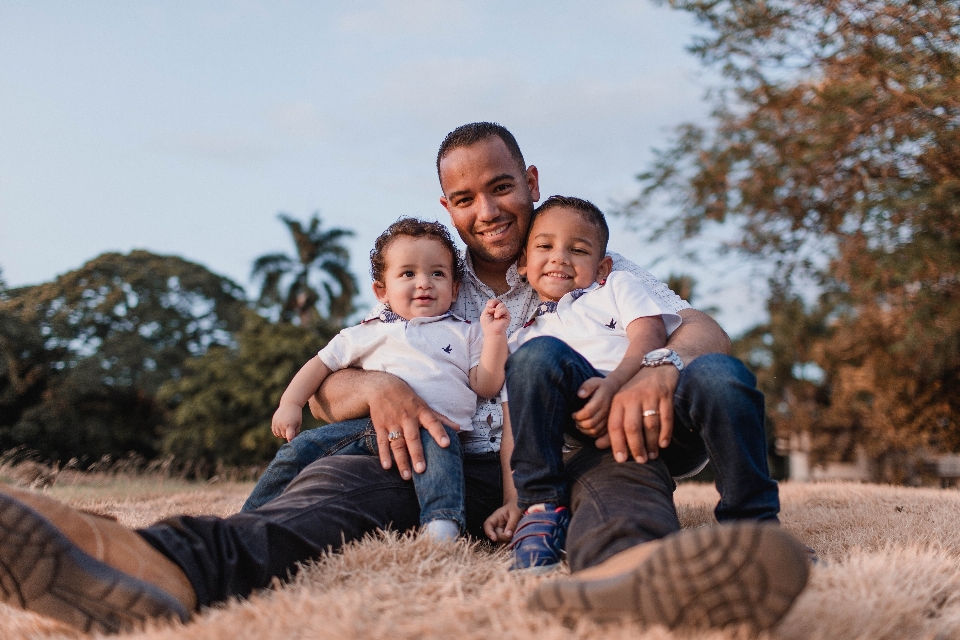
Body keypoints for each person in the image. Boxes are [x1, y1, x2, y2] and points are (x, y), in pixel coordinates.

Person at [0, 122, 807, 635]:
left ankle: (631, 577)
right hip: (438, 452)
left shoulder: (578, 257)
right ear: (447, 206)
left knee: (623, 481)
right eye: (465, 197)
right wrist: (380, 391)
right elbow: (331, 383)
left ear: (530, 181)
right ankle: (160, 566)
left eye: (500, 187)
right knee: (331, 497)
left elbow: (700, 328)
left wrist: (660, 368)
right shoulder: (424, 275)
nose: (486, 209)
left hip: (562, 452)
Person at [240, 218, 510, 543]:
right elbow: (320, 365)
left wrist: (495, 336)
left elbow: (486, 384)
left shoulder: (466, 331)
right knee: (296, 451)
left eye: (437, 273)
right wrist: (291, 403)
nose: (424, 283)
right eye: (408, 274)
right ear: (382, 290)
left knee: (441, 451)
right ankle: (246, 521)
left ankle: (442, 527)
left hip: (439, 429)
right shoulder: (369, 330)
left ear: (454, 288)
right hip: (370, 428)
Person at [501, 195, 681, 571]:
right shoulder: (521, 337)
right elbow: (514, 425)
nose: (560, 258)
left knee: (625, 507)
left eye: (577, 250)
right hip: (571, 436)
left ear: (602, 266)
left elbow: (649, 335)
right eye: (545, 246)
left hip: (630, 403)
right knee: (534, 357)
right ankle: (542, 508)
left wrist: (617, 383)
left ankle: (636, 565)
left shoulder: (615, 288)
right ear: (522, 263)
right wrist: (513, 498)